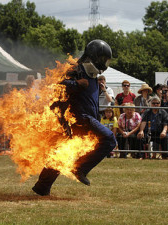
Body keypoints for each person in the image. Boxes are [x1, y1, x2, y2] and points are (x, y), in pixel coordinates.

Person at [32, 39, 117, 196]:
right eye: (103, 59)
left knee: (63, 153)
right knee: (109, 139)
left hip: (86, 119)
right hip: (78, 118)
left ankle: (42, 186)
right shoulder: (76, 70)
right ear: (94, 57)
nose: (104, 63)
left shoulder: (93, 76)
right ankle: (81, 168)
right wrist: (77, 84)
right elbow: (58, 86)